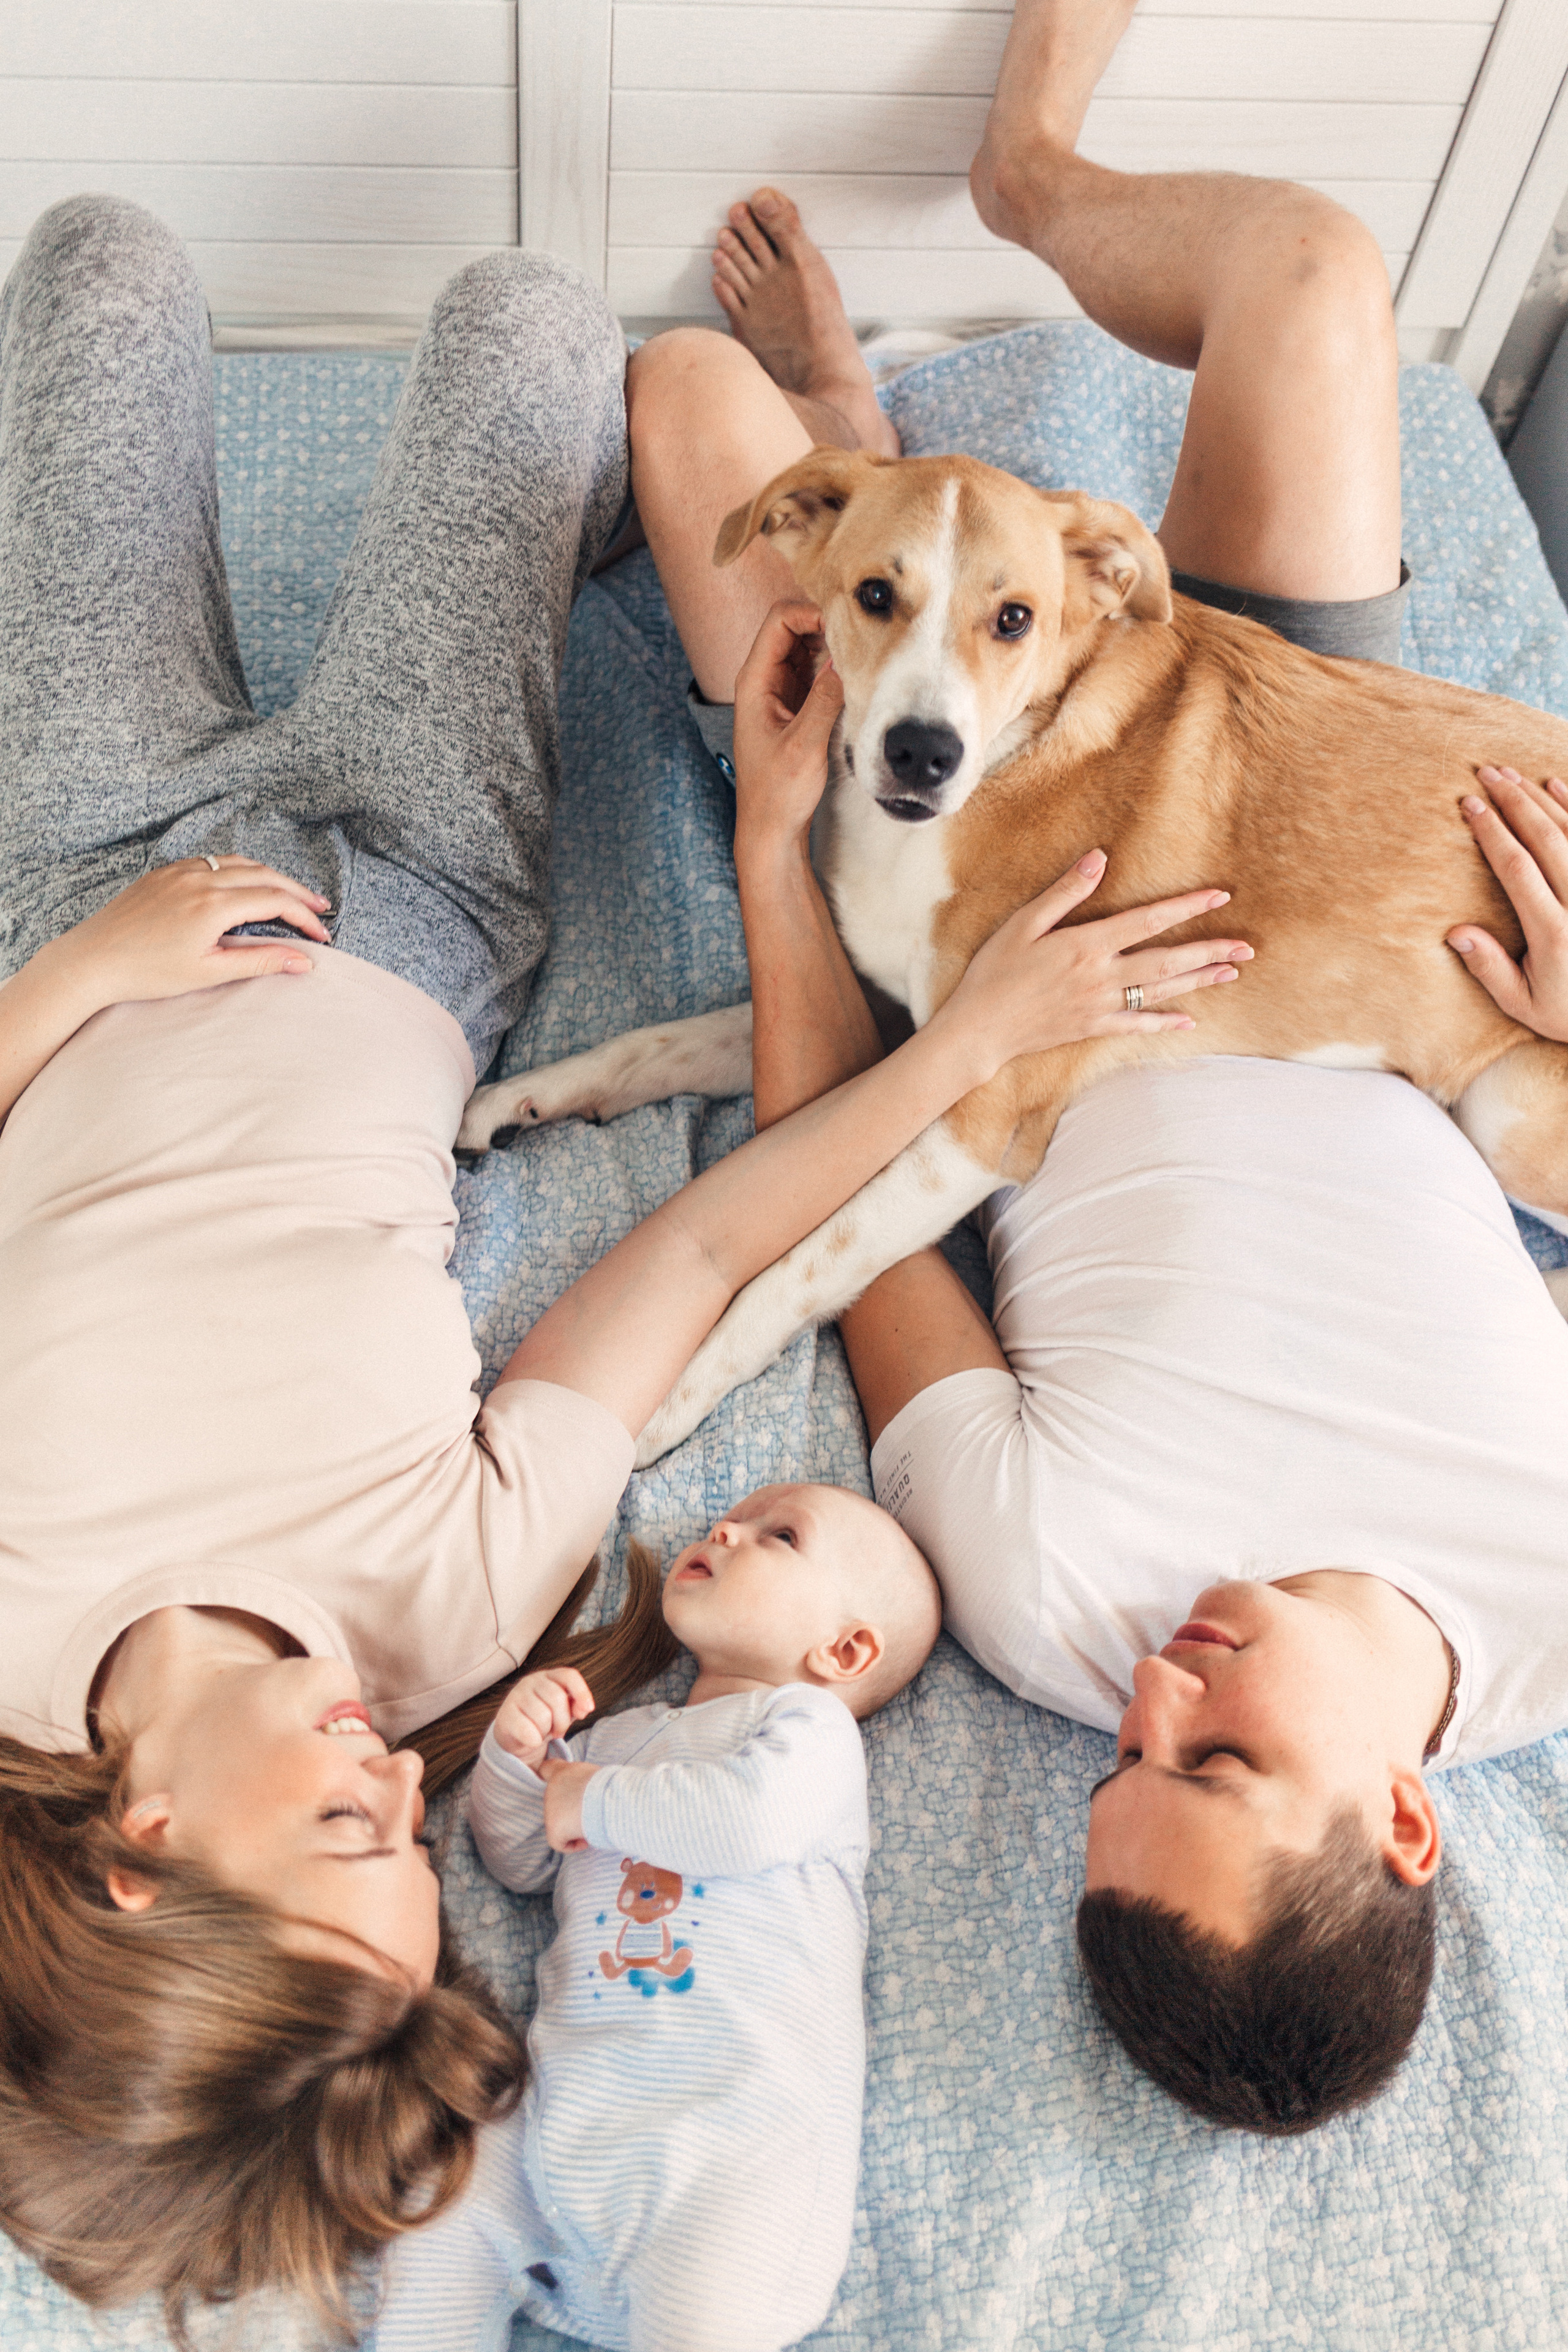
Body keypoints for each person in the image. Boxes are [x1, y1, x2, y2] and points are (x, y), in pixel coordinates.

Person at [0, 194, 1221, 2331]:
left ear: (139, 1856)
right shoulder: (451, 1625)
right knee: (527, 316)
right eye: (417, 1852)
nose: (399, 1787)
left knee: (99, 262)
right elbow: (705, 1243)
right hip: (409, 883)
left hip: (69, 891)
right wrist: (978, 1046)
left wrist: (84, 970)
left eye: (341, 1839)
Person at [622, 0, 1568, 2133]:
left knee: (688, 393)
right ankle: (1028, 181)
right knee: (1319, 269)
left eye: (1125, 1766)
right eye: (1214, 1761)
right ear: (1410, 1820)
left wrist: (785, 853)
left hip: (1014, 942)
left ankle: (886, 502)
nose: (1148, 1698)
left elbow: (858, 1216)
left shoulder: (1047, 1599)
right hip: (1340, 844)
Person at [373, 1485, 941, 2352]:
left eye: (778, 1536)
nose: (726, 1528)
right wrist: (518, 1762)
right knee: (444, 2203)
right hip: (562, 2133)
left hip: (729, 2164)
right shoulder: (621, 1737)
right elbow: (522, 1858)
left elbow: (747, 1820)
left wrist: (588, 1798)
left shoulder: (810, 1733)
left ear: (846, 1648)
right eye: (738, 1519)